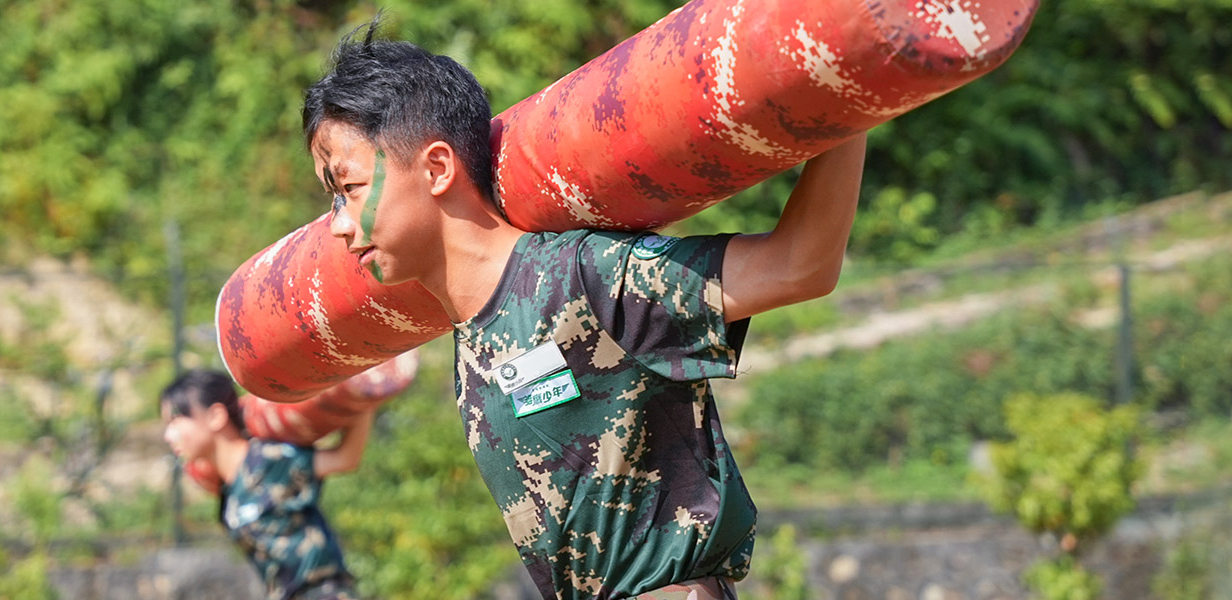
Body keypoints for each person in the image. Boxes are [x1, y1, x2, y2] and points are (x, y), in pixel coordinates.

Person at [299, 21, 867, 600]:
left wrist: (853, 91)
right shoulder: (472, 332)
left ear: (438, 169)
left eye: (349, 190)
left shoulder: (584, 277)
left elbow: (800, 265)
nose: (341, 226)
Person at [160, 369, 373, 600]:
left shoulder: (268, 460)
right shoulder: (227, 487)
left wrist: (365, 396)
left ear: (215, 417)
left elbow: (344, 459)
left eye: (176, 421)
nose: (169, 436)